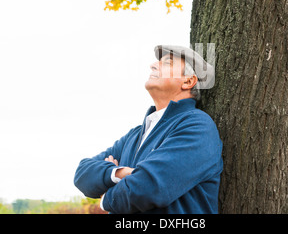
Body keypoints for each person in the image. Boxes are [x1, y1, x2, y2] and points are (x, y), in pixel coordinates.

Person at [73, 45, 223, 214]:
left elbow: (150, 188)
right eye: (157, 62)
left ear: (188, 81)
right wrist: (121, 173)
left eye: (167, 63)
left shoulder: (197, 126)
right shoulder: (136, 134)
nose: (153, 65)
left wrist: (106, 198)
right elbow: (82, 174)